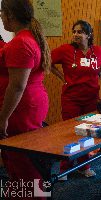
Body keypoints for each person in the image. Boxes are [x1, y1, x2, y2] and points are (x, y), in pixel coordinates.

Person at [0, 0, 51, 198]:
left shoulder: (21, 42)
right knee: (24, 158)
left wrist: (2, 118)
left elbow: (17, 86)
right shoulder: (28, 38)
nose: (1, 18)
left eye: (2, 13)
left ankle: (31, 195)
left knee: (21, 159)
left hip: (20, 108)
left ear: (10, 15)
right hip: (29, 103)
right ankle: (27, 193)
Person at [51, 20, 101, 180]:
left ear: (89, 34)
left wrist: (100, 72)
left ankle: (84, 166)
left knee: (88, 132)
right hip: (71, 98)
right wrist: (61, 77)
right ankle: (65, 168)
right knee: (70, 132)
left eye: (80, 32)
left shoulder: (97, 51)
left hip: (91, 98)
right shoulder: (66, 50)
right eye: (74, 31)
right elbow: (47, 61)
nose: (76, 35)